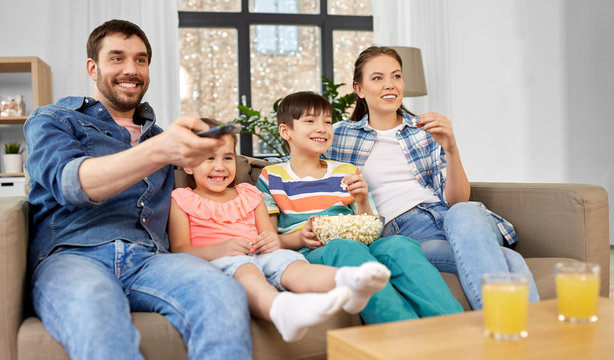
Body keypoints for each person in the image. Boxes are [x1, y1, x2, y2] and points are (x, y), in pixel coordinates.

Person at [24, 19, 251, 359]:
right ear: (92, 67)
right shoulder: (54, 120)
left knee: (222, 292)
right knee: (96, 310)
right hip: (72, 256)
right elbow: (74, 183)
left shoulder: (162, 137)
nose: (131, 69)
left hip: (150, 260)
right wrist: (162, 150)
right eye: (117, 58)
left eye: (141, 60)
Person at [327, 45, 540, 309]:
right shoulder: (339, 135)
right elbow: (297, 156)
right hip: (407, 235)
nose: (390, 85)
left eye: (396, 76)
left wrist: (451, 147)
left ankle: (502, 336)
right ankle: (527, 339)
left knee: (464, 211)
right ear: (359, 89)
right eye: (377, 78)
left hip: (456, 221)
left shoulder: (425, 130)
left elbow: (457, 200)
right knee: (511, 261)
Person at [167, 118, 391, 342]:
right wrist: (220, 249)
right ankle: (280, 309)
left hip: (261, 255)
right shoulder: (182, 198)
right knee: (246, 270)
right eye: (209, 158)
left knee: (292, 264)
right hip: (222, 263)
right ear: (187, 164)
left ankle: (348, 282)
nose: (220, 166)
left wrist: (271, 242)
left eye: (227, 157)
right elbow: (179, 249)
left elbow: (271, 238)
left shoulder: (248, 193)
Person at [256, 91, 463, 324]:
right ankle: (400, 332)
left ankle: (454, 326)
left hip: (362, 244)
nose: (322, 128)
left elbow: (370, 228)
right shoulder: (271, 177)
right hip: (313, 254)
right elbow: (272, 242)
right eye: (310, 121)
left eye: (326, 121)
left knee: (400, 245)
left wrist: (362, 199)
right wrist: (301, 238)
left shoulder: (347, 170)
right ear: (286, 131)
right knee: (345, 248)